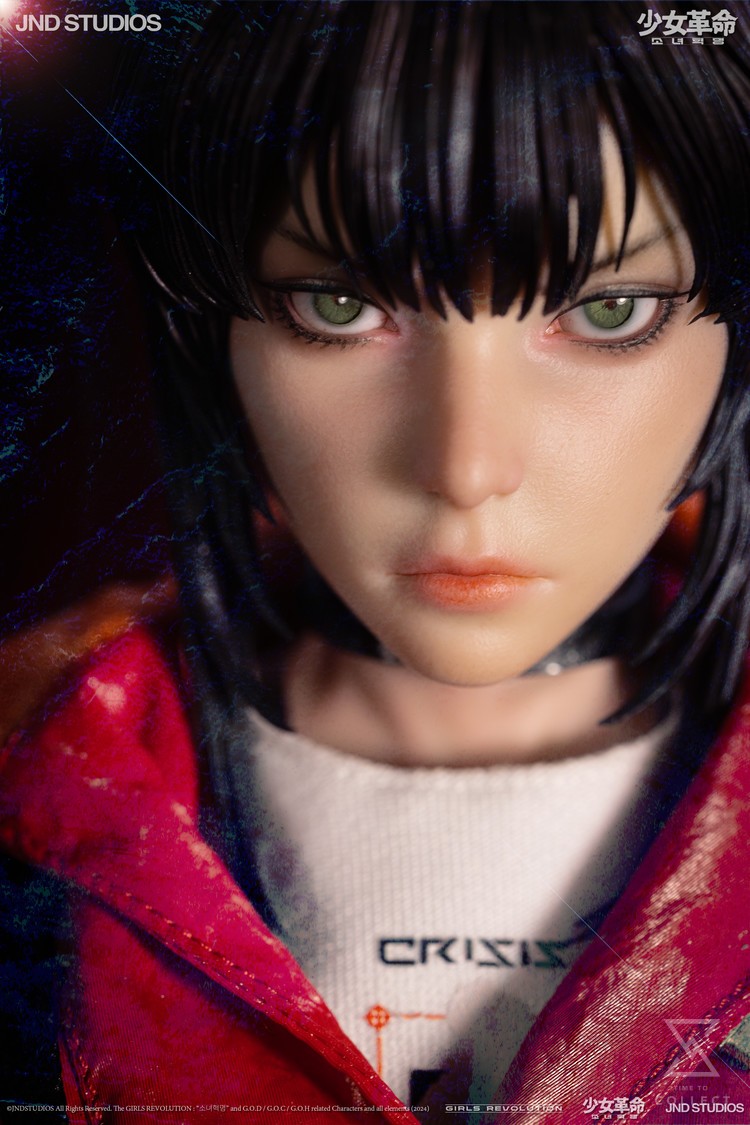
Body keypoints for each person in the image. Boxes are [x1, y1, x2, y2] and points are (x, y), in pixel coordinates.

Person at [2, 2, 750, 1121]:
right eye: (340, 305)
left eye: (609, 310)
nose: (466, 466)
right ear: (213, 333)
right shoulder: (37, 775)